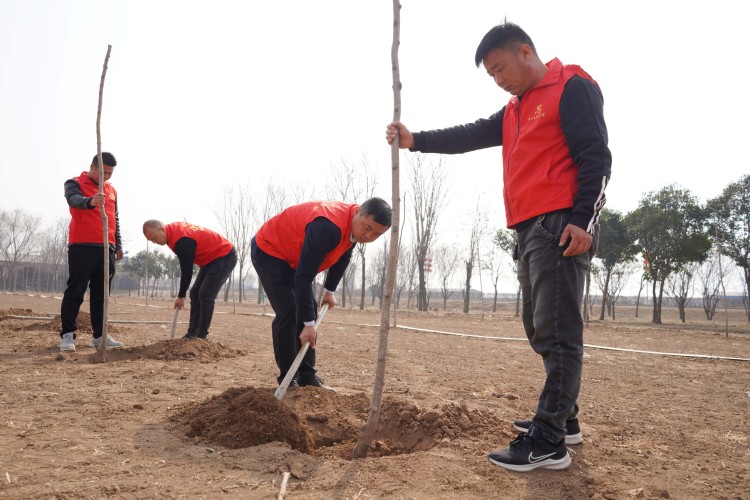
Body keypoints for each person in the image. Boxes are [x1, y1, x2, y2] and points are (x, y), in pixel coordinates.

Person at [386, 22, 611, 472]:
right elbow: (471, 134)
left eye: (500, 68)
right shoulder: (515, 109)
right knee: (537, 327)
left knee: (558, 331)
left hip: (562, 225)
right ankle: (564, 420)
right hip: (529, 231)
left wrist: (583, 220)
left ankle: (548, 442)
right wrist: (417, 142)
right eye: (491, 74)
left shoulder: (571, 86)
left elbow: (597, 157)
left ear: (525, 52)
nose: (498, 80)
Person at [251, 198, 392, 392]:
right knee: (289, 312)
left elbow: (344, 255)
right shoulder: (328, 227)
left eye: (377, 234)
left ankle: (307, 377)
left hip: (294, 258)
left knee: (308, 309)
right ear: (358, 211)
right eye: (367, 228)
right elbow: (303, 277)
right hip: (270, 250)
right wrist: (309, 326)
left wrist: (329, 291)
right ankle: (288, 378)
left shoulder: (353, 229)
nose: (368, 236)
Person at [59, 152, 125, 352]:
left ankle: (99, 335)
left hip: (106, 247)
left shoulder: (111, 190)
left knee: (101, 295)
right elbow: (74, 200)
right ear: (92, 166)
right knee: (76, 291)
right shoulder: (74, 182)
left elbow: (115, 218)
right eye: (103, 172)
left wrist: (118, 244)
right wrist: (91, 201)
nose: (106, 177)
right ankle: (68, 335)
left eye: (110, 173)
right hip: (82, 245)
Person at [142, 220, 237, 340]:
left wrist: (181, 296)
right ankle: (192, 334)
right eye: (151, 241)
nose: (155, 242)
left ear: (161, 229)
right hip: (210, 260)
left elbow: (187, 270)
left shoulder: (182, 240)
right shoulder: (172, 232)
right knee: (195, 293)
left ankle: (202, 336)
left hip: (224, 255)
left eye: (154, 238)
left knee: (205, 294)